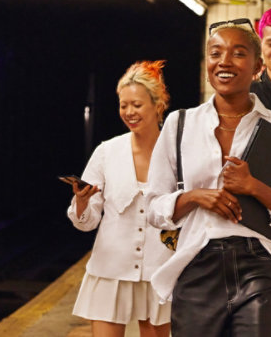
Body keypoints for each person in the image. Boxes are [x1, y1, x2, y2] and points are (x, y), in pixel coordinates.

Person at [145, 19, 271, 337]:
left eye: (238, 53)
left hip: (260, 264)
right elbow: (154, 208)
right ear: (208, 63)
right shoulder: (179, 125)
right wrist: (195, 197)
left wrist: (255, 187)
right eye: (216, 53)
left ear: (258, 67)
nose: (224, 61)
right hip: (196, 262)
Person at [67, 60, 173, 337]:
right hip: (110, 268)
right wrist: (81, 202)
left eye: (136, 105)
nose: (128, 112)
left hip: (160, 270)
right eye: (123, 105)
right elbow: (87, 222)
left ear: (157, 104)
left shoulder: (176, 153)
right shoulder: (107, 152)